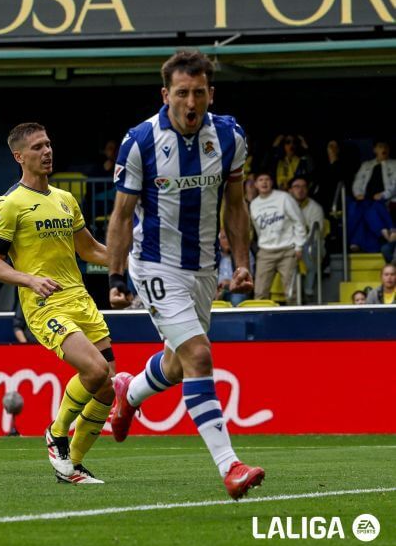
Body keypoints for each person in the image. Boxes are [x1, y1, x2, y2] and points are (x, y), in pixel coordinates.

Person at [107, 51, 264, 500]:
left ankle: (129, 392)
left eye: (199, 93)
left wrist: (242, 263)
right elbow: (121, 215)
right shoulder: (140, 141)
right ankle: (230, 466)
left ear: (210, 93)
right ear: (166, 94)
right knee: (199, 355)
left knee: (177, 365)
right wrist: (115, 277)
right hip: (155, 263)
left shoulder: (230, 136)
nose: (190, 103)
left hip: (204, 268)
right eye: (182, 93)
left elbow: (235, 204)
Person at [0, 124, 116, 485]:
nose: (47, 151)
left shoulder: (64, 199)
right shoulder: (10, 204)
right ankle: (56, 433)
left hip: (81, 300)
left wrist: (127, 259)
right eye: (38, 146)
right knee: (94, 371)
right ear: (19, 156)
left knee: (107, 387)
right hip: (46, 305)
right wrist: (29, 279)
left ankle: (71, 464)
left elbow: (88, 249)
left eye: (49, 144)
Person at [250, 171, 307, 304]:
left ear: (272, 182)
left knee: (292, 292)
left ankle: (296, 321)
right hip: (265, 251)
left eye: (267, 179)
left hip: (287, 250)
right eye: (261, 180)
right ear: (256, 185)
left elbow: (299, 221)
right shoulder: (254, 204)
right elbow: (257, 230)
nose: (264, 182)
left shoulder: (284, 197)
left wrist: (299, 246)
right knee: (259, 292)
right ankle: (261, 322)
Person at [349, 140, 396, 253]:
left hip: (386, 198)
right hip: (366, 198)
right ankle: (389, 230)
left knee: (370, 208)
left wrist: (384, 194)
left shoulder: (394, 164)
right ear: (374, 150)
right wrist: (358, 193)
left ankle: (356, 241)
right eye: (380, 146)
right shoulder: (367, 165)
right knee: (361, 207)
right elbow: (358, 181)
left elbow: (395, 184)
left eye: (386, 146)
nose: (383, 149)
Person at [289, 176, 325, 299]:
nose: (301, 190)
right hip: (290, 243)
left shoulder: (315, 208)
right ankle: (290, 294)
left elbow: (314, 234)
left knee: (309, 251)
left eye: (304, 187)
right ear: (290, 190)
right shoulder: (286, 205)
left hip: (311, 244)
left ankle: (307, 290)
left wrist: (299, 246)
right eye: (297, 187)